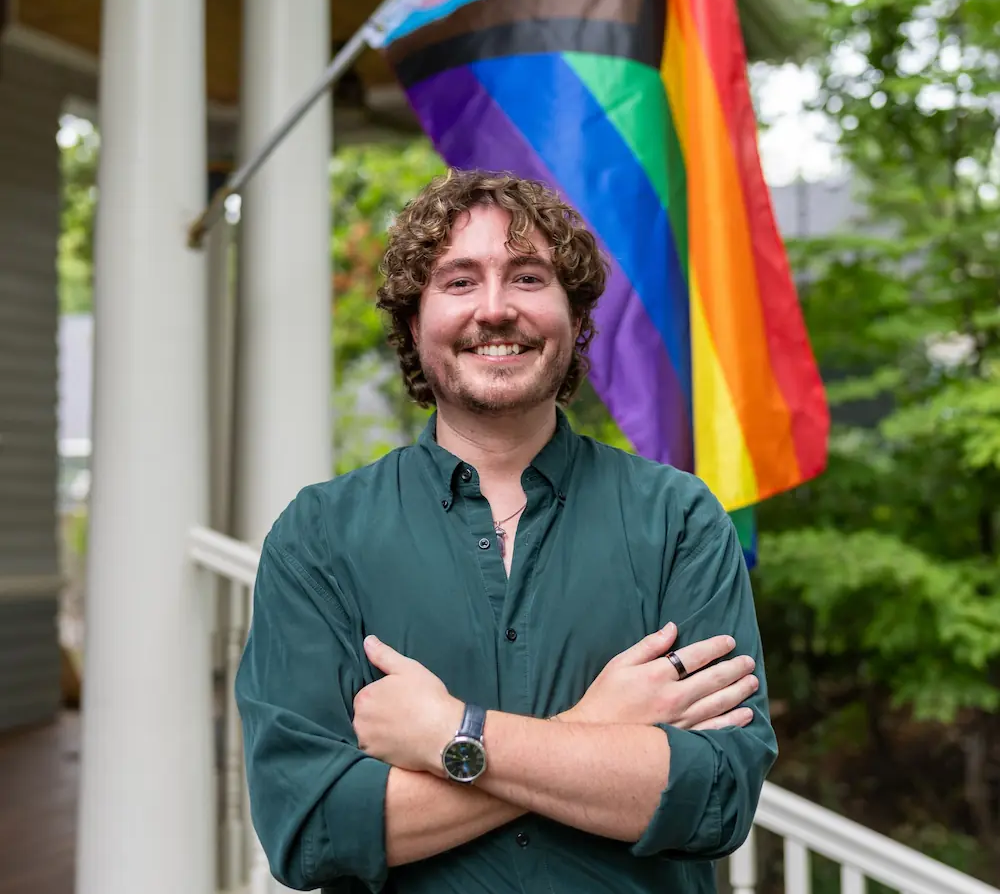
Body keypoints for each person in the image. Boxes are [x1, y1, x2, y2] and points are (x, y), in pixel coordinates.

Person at [236, 169, 777, 894]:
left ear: (575, 315)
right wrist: (595, 727)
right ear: (413, 321)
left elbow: (715, 798)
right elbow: (312, 830)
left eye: (527, 278)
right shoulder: (319, 537)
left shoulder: (678, 519)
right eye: (459, 282)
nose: (495, 310)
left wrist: (449, 736)